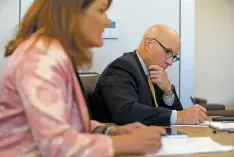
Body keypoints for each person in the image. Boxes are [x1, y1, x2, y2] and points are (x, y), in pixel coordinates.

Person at [0, 0, 166, 157]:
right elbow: (56, 145)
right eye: (101, 10)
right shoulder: (41, 57)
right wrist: (124, 143)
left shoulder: (52, 53)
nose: (107, 21)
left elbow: (65, 123)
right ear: (73, 11)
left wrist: (109, 131)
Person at [92, 24, 208, 126]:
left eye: (174, 56)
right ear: (148, 44)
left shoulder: (154, 71)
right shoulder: (121, 68)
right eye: (168, 52)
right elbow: (126, 112)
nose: (170, 62)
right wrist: (179, 116)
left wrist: (168, 91)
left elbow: (176, 118)